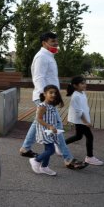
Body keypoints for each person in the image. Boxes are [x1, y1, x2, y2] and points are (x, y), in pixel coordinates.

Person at [19, 32, 87, 170]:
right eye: (52, 41)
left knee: (37, 122)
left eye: (56, 41)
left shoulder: (49, 56)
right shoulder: (41, 57)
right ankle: (68, 159)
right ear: (44, 43)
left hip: (48, 97)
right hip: (44, 98)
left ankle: (25, 149)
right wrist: (46, 98)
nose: (56, 43)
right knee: (57, 126)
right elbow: (38, 78)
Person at [65, 76, 103, 166]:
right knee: (89, 137)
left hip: (82, 119)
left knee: (78, 136)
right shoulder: (75, 96)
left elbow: (84, 107)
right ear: (75, 85)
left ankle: (61, 145)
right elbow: (79, 111)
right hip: (80, 120)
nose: (85, 85)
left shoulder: (82, 93)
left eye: (85, 83)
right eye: (82, 83)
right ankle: (89, 157)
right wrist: (86, 122)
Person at [29, 85, 64, 176]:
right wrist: (49, 126)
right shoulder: (42, 106)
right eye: (51, 92)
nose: (53, 94)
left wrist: (54, 127)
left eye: (55, 93)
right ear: (45, 94)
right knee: (51, 150)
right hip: (44, 131)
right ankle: (36, 160)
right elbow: (39, 119)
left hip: (50, 131)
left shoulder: (51, 105)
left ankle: (44, 167)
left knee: (48, 149)